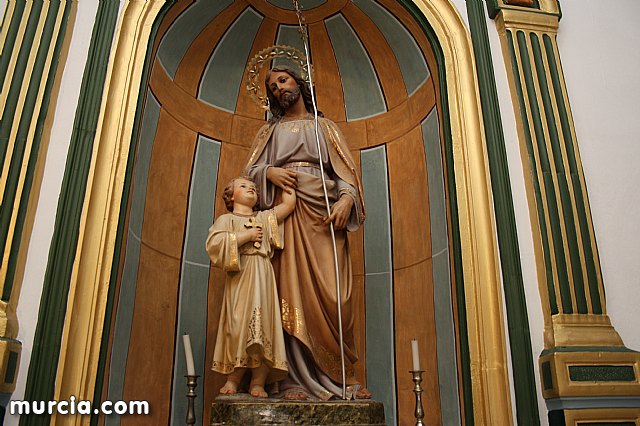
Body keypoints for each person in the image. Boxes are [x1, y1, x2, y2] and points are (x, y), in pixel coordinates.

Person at [244, 65, 370, 400]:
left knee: (335, 297)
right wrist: (269, 172)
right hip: (287, 214)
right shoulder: (268, 132)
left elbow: (346, 172)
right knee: (288, 292)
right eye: (271, 87)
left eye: (282, 81)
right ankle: (291, 380)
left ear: (299, 83)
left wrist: (347, 199)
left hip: (324, 215)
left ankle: (341, 376)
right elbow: (248, 175)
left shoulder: (324, 127)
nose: (277, 90)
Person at [207, 175, 295, 397]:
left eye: (254, 187)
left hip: (263, 275)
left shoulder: (264, 218)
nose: (251, 189)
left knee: (265, 325)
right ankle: (234, 379)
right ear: (231, 195)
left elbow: (288, 205)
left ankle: (258, 381)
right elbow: (214, 245)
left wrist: (287, 180)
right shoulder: (226, 220)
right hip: (240, 278)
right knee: (237, 326)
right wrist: (245, 235)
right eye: (243, 186)